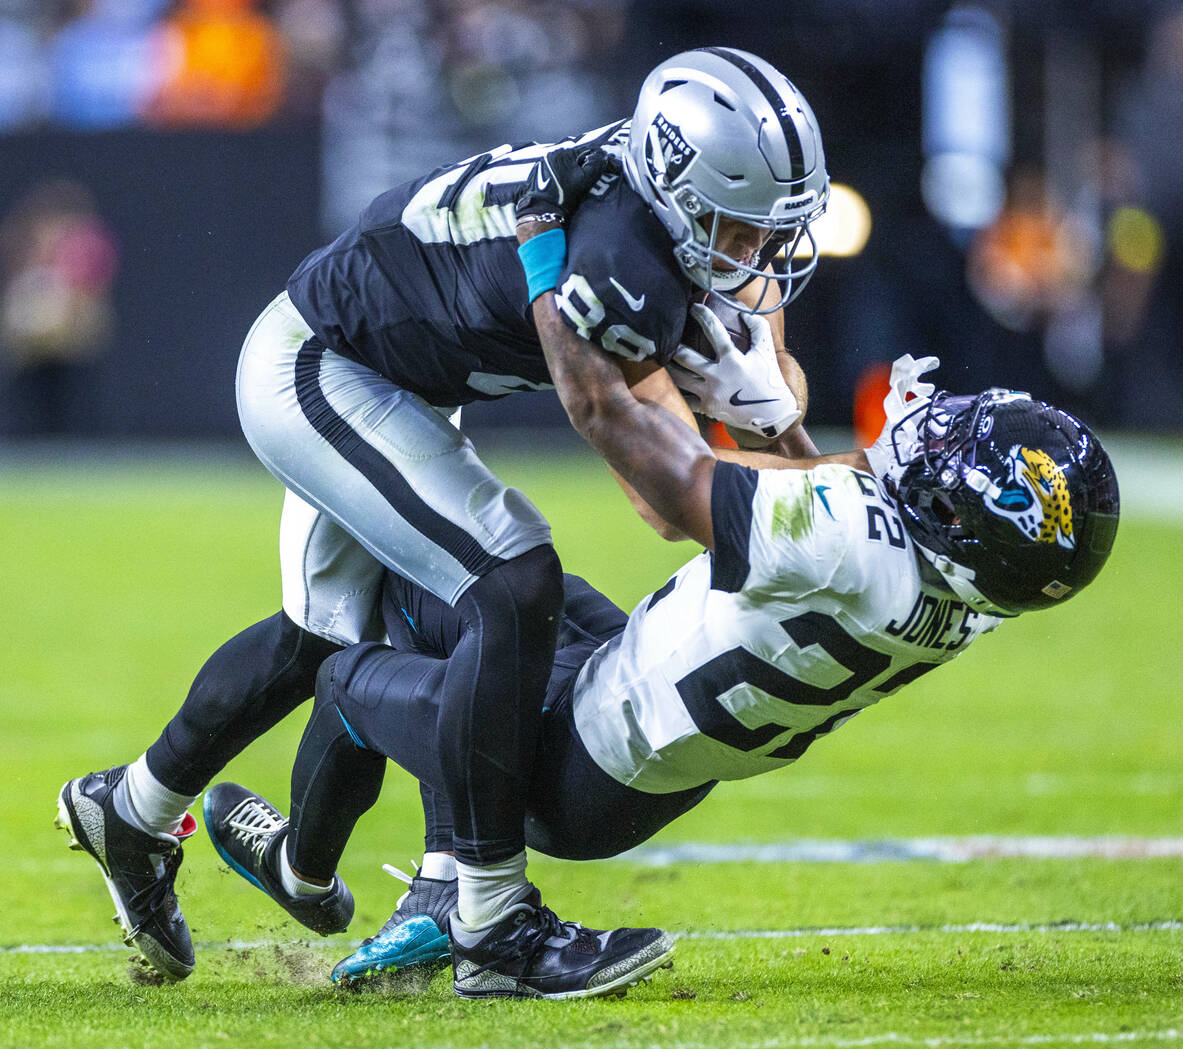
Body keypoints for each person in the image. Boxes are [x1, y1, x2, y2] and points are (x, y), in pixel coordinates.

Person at [54, 47, 831, 989]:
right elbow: (663, 498)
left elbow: (761, 334)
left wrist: (771, 404)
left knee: (320, 636)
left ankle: (130, 812)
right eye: (734, 227)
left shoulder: (665, 213)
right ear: (673, 181)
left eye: (766, 230)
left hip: (398, 370)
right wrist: (775, 428)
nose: (751, 256)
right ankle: (490, 923)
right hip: (325, 363)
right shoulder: (618, 256)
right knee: (510, 578)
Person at [202, 360, 1120, 997]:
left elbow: (658, 486)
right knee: (469, 587)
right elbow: (829, 500)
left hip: (575, 760)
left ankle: (305, 872)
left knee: (349, 673)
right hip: (637, 731)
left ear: (968, 519)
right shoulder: (970, 597)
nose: (931, 446)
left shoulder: (848, 537)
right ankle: (449, 888)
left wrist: (634, 366)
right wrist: (771, 402)